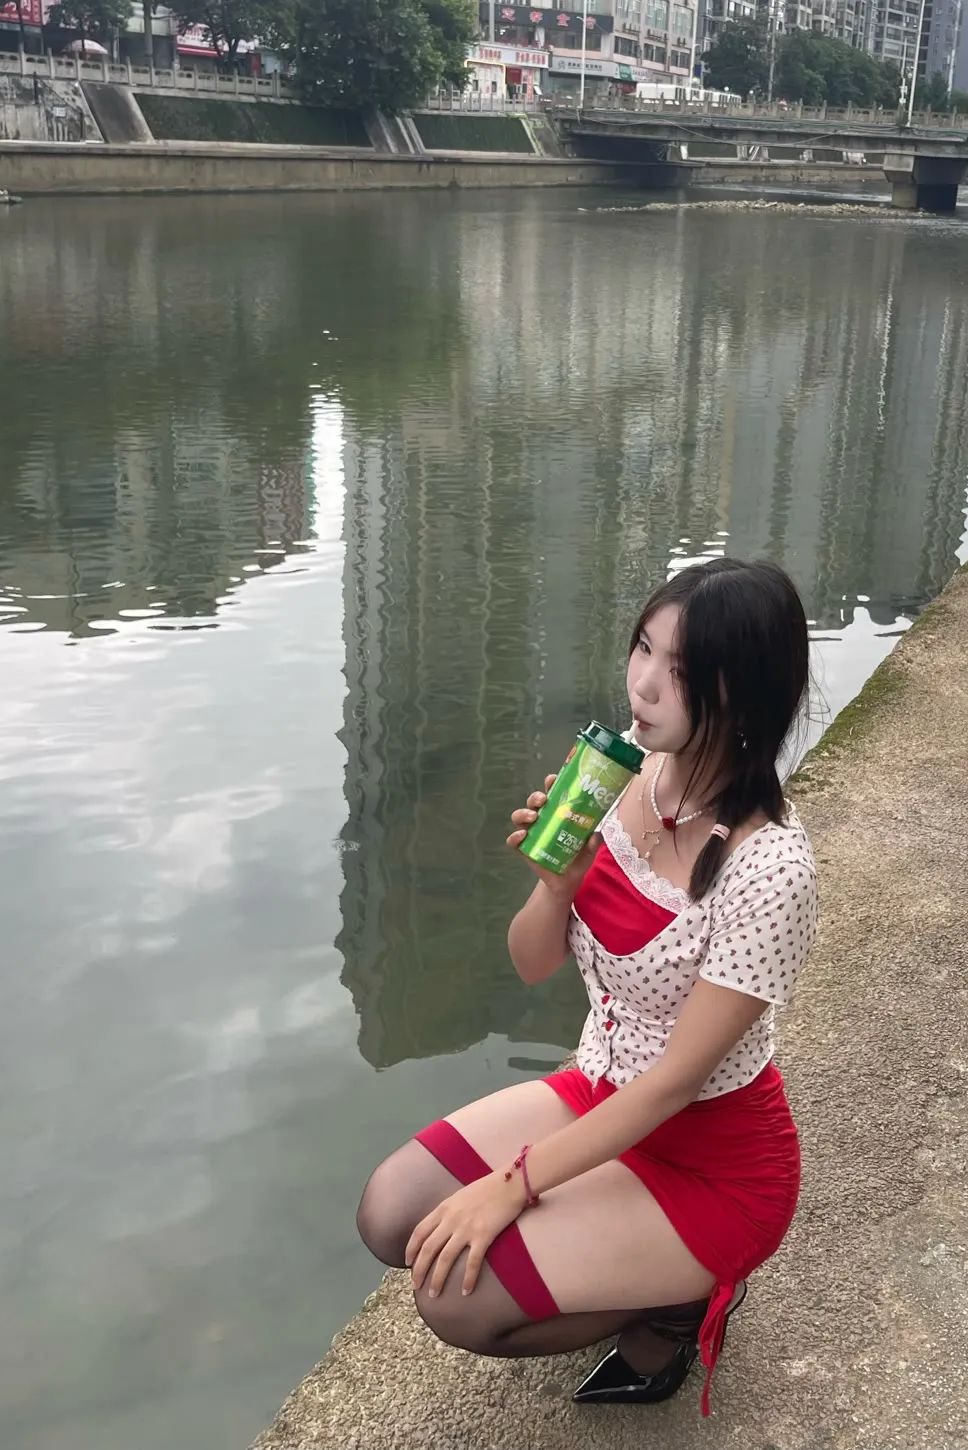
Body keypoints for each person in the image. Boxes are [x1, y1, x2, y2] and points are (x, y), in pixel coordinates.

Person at [357, 558, 819, 1414]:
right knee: (390, 1213)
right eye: (643, 647)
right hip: (600, 1090)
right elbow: (531, 962)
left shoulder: (772, 868)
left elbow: (674, 1085)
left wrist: (510, 1187)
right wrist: (558, 885)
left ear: (744, 695)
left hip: (712, 1159)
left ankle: (677, 1309)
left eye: (680, 669)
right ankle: (621, 1256)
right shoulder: (620, 779)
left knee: (454, 1298)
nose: (642, 682)